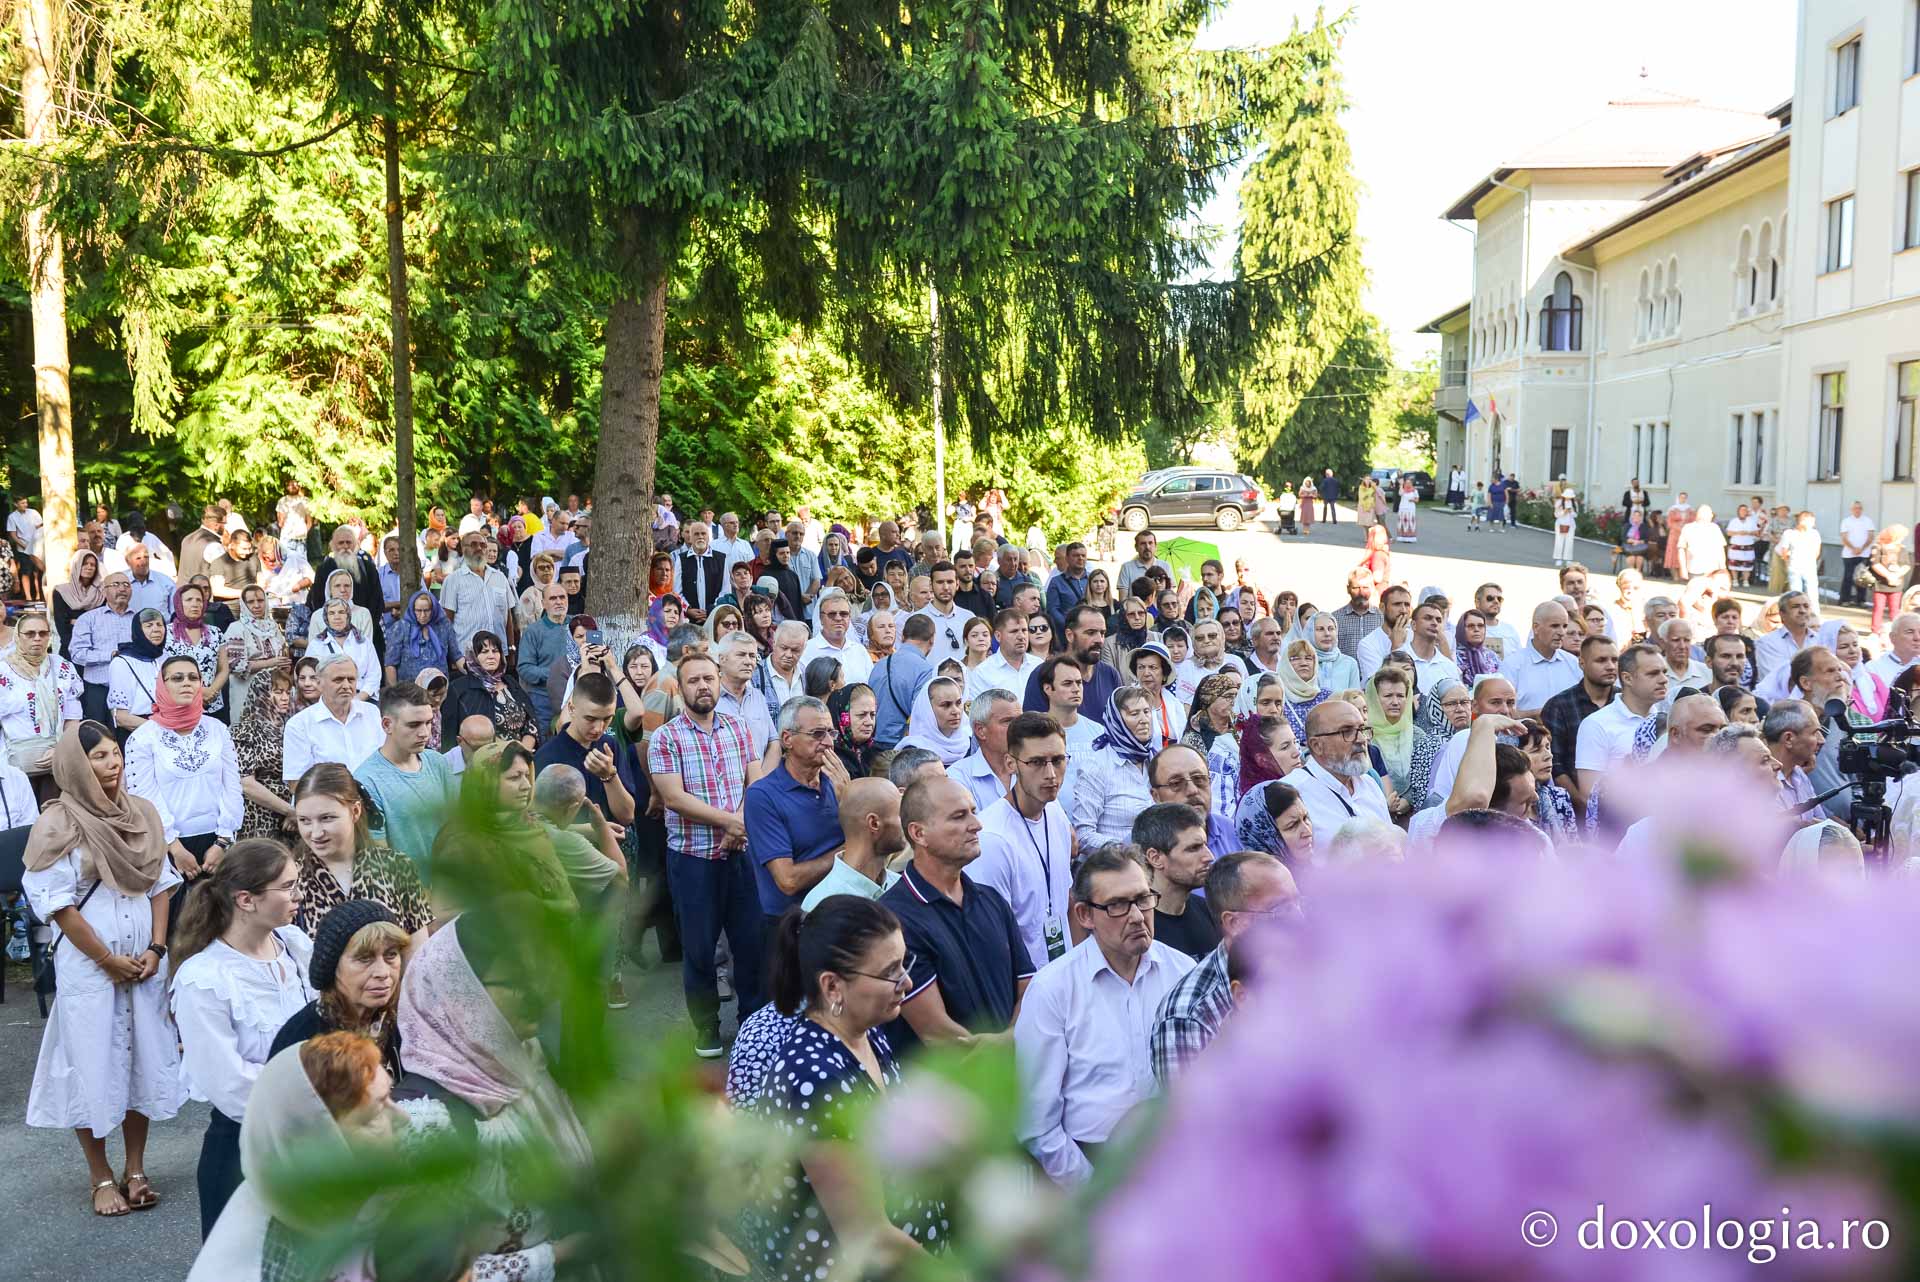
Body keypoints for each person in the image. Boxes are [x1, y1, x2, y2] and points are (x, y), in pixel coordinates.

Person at [22, 723, 183, 1218]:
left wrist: (157, 947)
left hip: (145, 962)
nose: (113, 764)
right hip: (91, 968)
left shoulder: (143, 814)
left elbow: (161, 884)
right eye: (100, 757)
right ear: (76, 765)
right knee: (90, 1064)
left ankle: (136, 1169)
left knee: (140, 1060)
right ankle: (100, 1176)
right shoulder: (57, 825)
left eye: (116, 754)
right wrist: (106, 959)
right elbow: (58, 905)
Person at [743, 897, 947, 1279]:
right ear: (833, 986)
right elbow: (870, 1234)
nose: (907, 982)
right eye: (890, 972)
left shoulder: (867, 1032)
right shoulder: (815, 1081)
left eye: (904, 963)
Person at [394, 917, 593, 1279]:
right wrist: (564, 1253)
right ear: (461, 995)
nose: (539, 992)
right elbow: (428, 1272)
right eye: (517, 981)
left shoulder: (526, 1059)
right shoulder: (424, 1122)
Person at [1015, 846, 1194, 1184]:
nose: (1138, 916)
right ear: (1084, 915)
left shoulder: (1183, 973)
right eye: (1117, 905)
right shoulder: (1053, 989)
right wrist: (1092, 1190)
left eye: (1143, 899)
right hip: (1089, 1165)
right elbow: (1038, 1123)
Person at [170, 839, 315, 1239]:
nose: (297, 895)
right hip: (244, 1151)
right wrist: (315, 1100)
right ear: (246, 900)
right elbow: (228, 1083)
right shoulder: (205, 979)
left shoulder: (295, 947)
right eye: (287, 887)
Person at [648, 652, 765, 1055]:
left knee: (750, 944)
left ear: (718, 682)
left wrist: (740, 822)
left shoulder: (739, 727)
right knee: (698, 949)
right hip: (693, 859)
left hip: (740, 853)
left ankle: (753, 1022)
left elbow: (757, 783)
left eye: (708, 679)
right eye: (693, 681)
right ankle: (707, 1027)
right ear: (680, 690)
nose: (703, 686)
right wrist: (728, 822)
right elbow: (674, 798)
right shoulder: (666, 737)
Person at [881, 775, 1033, 1052]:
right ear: (918, 833)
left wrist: (1009, 1040)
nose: (976, 825)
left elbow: (1029, 990)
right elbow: (940, 1035)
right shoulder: (892, 919)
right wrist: (1014, 1043)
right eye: (959, 816)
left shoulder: (991, 900)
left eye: (973, 812)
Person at [1149, 850, 1299, 1082]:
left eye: (1298, 904)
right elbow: (1190, 1113)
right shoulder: (1189, 1014)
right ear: (1234, 922)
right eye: (1281, 910)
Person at [125, 654, 241, 886]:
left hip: (218, 844)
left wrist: (223, 841)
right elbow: (144, 798)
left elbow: (232, 786)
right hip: (168, 847)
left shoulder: (217, 729)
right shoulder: (143, 738)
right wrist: (175, 849)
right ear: (162, 685)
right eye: (177, 678)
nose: (187, 683)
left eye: (193, 677)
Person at [267, 900, 411, 1081]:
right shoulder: (304, 1042)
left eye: (391, 955)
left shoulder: (402, 1022)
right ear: (332, 967)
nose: (383, 973)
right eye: (365, 958)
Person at [348, 682, 456, 871]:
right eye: (413, 725)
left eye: (429, 722)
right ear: (387, 725)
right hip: (407, 892)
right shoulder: (366, 781)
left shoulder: (438, 763)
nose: (424, 733)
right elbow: (380, 856)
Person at [1280, 699, 1392, 860]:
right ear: (1317, 745)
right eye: (1346, 732)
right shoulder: (1292, 792)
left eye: (1362, 729)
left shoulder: (1369, 784)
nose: (1361, 739)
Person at [1574, 642, 1666, 801]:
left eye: (1664, 672)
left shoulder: (1668, 720)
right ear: (1627, 678)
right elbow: (1590, 794)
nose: (1663, 679)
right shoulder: (1596, 725)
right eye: (1653, 673)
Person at [1071, 685, 1157, 848]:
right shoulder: (1096, 766)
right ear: (1116, 720)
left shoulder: (1157, 761)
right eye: (1134, 714)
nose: (1144, 719)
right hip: (1115, 866)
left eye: (1146, 712)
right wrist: (1125, 850)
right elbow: (1083, 835)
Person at [0, 610, 83, 778]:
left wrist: (60, 748)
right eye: (30, 634)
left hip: (58, 759)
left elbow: (72, 718)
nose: (37, 638)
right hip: (13, 762)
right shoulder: (3, 670)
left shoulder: (62, 667)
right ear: (18, 636)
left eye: (43, 633)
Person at [1132, 802, 1217, 959]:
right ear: (1155, 858)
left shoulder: (1209, 911)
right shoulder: (1135, 925)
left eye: (1205, 845)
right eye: (1193, 848)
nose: (1209, 857)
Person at [281, 654, 383, 781]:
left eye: (351, 679)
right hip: (325, 799)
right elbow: (296, 783)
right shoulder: (299, 725)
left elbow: (386, 763)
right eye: (338, 680)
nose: (346, 685)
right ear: (319, 683)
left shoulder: (371, 713)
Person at [446, 630, 538, 748]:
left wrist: (523, 750)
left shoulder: (510, 682)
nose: (491, 656)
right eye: (484, 652)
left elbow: (531, 720)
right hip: (483, 759)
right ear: (473, 656)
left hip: (521, 756)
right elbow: (450, 734)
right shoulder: (459, 689)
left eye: (495, 651)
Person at [1868, 526, 1913, 637]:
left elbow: (1906, 565)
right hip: (1880, 584)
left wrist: (1897, 575)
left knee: (1895, 609)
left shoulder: (1902, 549)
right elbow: (1875, 564)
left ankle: (1896, 631)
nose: (1902, 539)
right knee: (1878, 608)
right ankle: (1875, 631)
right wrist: (1888, 576)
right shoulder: (1878, 547)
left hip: (1896, 584)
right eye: (1901, 536)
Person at [1838, 500, 1876, 608]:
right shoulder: (1846, 521)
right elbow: (1844, 537)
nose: (1857, 510)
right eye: (1855, 508)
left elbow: (1871, 536)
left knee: (1862, 578)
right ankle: (1845, 599)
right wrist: (1853, 548)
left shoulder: (1867, 521)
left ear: (1862, 509)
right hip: (1849, 554)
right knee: (1848, 577)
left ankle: (1861, 600)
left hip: (1864, 554)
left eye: (1859, 508)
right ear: (1851, 510)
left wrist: (1862, 548)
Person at [1115, 530, 1174, 597]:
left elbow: (1170, 594)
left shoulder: (1165, 566)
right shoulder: (1127, 568)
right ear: (1136, 547)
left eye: (1150, 543)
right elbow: (1123, 599)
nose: (1147, 547)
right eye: (1143, 543)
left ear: (1156, 546)